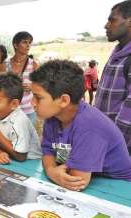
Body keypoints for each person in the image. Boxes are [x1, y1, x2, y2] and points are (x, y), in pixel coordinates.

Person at [30, 60, 131, 191]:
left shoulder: (89, 126)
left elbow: (77, 182)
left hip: (119, 188)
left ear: (64, 100)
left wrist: (53, 172)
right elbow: (48, 151)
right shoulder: (53, 117)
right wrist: (51, 170)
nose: (32, 103)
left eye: (38, 97)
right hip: (93, 178)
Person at [95, 0, 131, 154]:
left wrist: (112, 147)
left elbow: (128, 115)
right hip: (105, 141)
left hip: (119, 149)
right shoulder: (117, 54)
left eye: (112, 20)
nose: (106, 25)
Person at [0, 73, 41, 165]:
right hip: (9, 157)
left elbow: (20, 156)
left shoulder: (20, 121)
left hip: (30, 163)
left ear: (13, 104)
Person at [6, 31, 39, 125]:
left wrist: (32, 87)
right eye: (24, 42)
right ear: (16, 45)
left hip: (29, 111)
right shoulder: (6, 64)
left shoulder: (33, 64)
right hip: (11, 110)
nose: (28, 45)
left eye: (29, 43)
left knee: (26, 138)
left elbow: (42, 85)